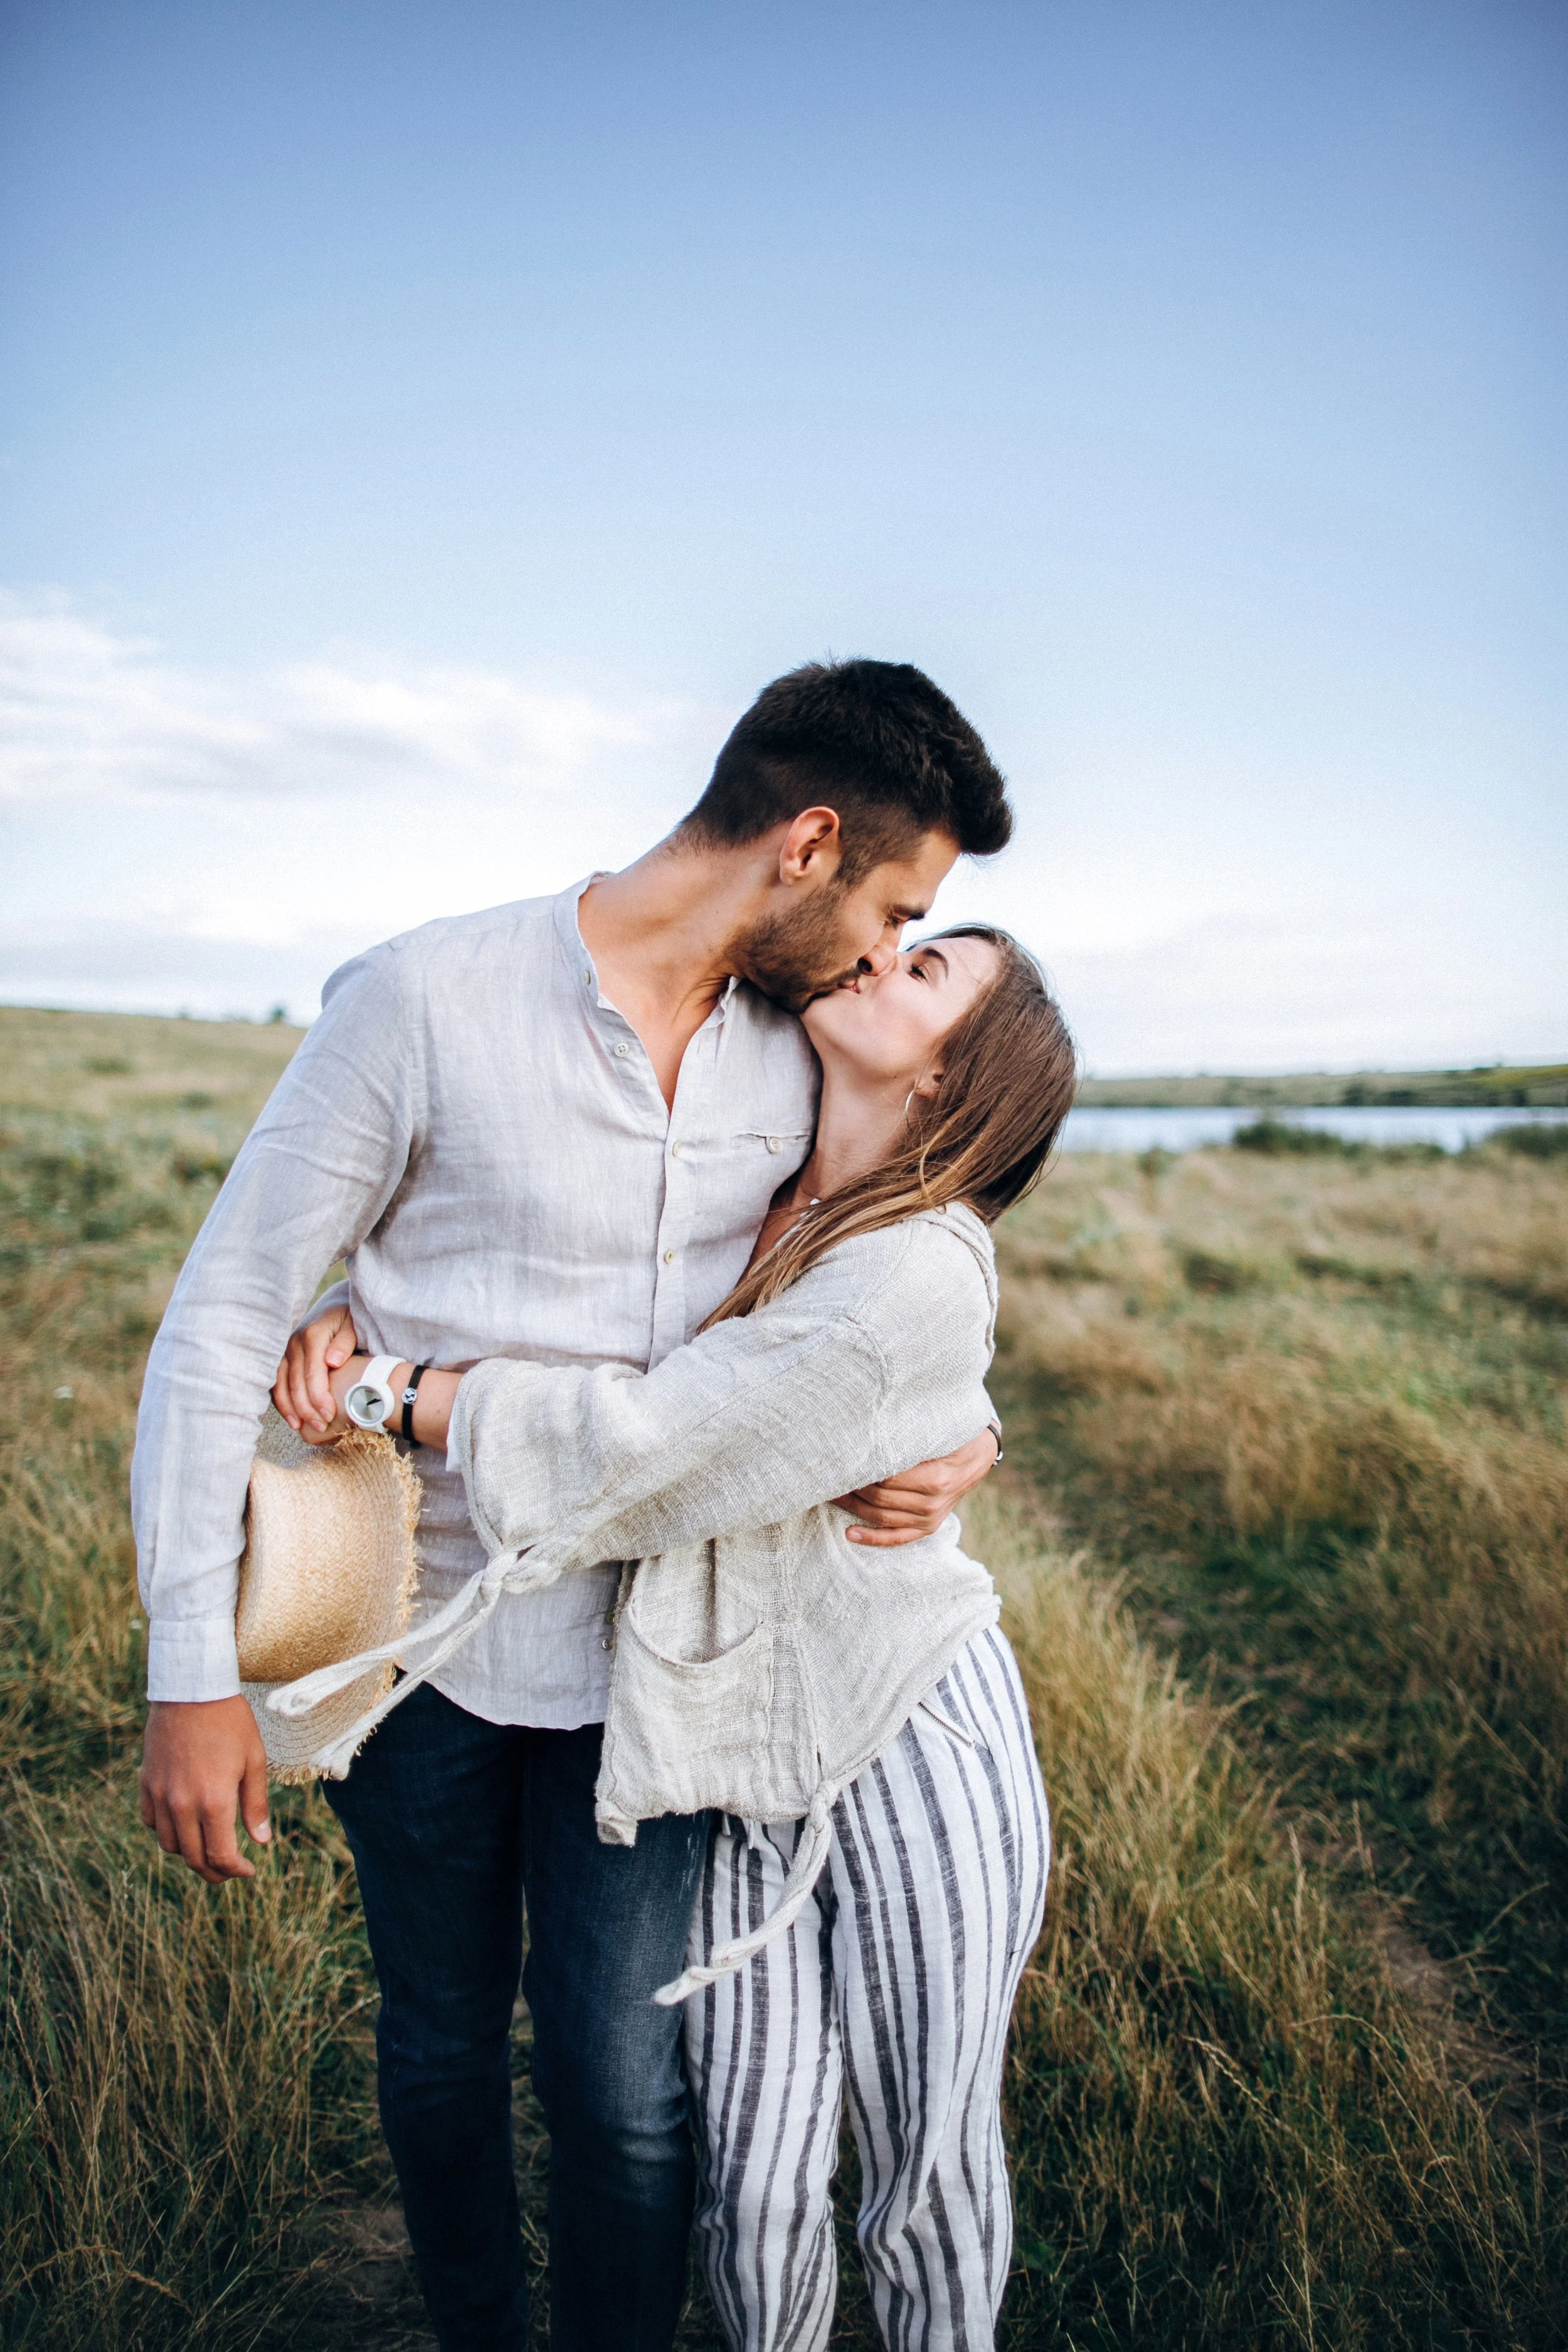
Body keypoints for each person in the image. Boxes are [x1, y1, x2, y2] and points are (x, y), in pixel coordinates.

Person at [133, 659, 1014, 2352]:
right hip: (421, 1651)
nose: (880, 954)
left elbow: (905, 1244)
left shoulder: (800, 1040)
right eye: (892, 904)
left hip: (662, 1666)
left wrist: (966, 1419)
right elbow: (225, 1312)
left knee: (624, 2100)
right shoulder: (423, 1000)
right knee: (441, 2043)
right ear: (809, 840)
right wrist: (191, 1669)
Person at [280, 921, 1075, 2351]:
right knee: (754, 2171)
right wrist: (355, 1301)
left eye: (924, 970)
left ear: (954, 1083)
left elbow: (651, 1446)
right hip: (727, 1727)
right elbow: (545, 1233)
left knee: (921, 2162)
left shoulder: (917, 1265)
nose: (881, 954)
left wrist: (399, 1391)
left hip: (901, 1723)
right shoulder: (762, 1167)